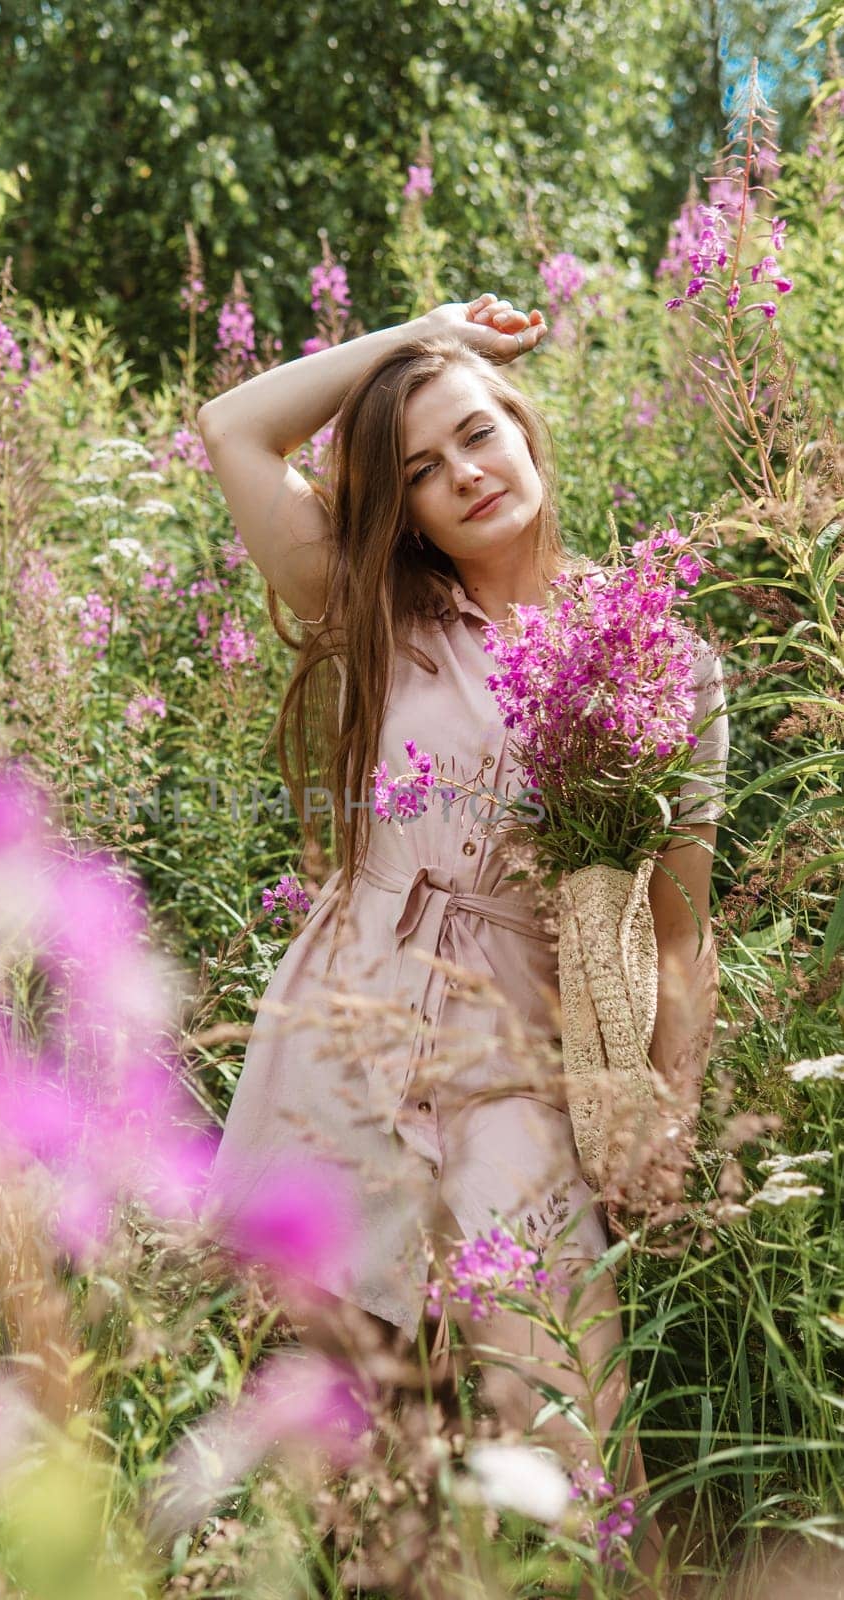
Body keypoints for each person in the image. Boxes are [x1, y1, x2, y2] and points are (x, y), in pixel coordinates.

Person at [195, 294, 729, 1595]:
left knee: (564, 1446)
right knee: (347, 1452)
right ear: (409, 512)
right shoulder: (383, 611)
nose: (463, 476)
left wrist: (665, 1108)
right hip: (342, 1051)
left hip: (518, 1078)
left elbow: (681, 933)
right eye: (423, 471)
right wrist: (428, 334)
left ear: (529, 436)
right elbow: (234, 429)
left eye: (478, 434)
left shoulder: (665, 655)